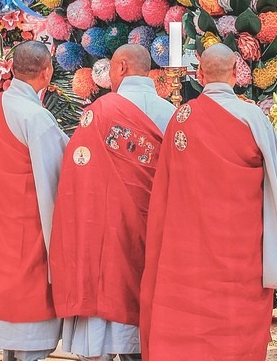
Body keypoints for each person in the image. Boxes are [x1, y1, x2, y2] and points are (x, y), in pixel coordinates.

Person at [140, 44, 277, 360]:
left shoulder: (182, 117)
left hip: (192, 250)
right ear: (236, 72)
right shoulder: (253, 117)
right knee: (238, 318)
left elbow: (165, 186)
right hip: (241, 246)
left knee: (190, 319)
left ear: (199, 74)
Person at [49, 44, 175, 361]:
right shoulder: (170, 113)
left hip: (107, 227)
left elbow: (79, 171)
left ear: (120, 67)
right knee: (145, 298)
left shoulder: (100, 111)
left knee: (111, 291)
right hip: (155, 227)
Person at [0, 41, 68, 361]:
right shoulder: (36, 118)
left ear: (13, 69)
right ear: (46, 72)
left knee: (11, 340)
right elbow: (54, 182)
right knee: (30, 339)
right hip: (30, 235)